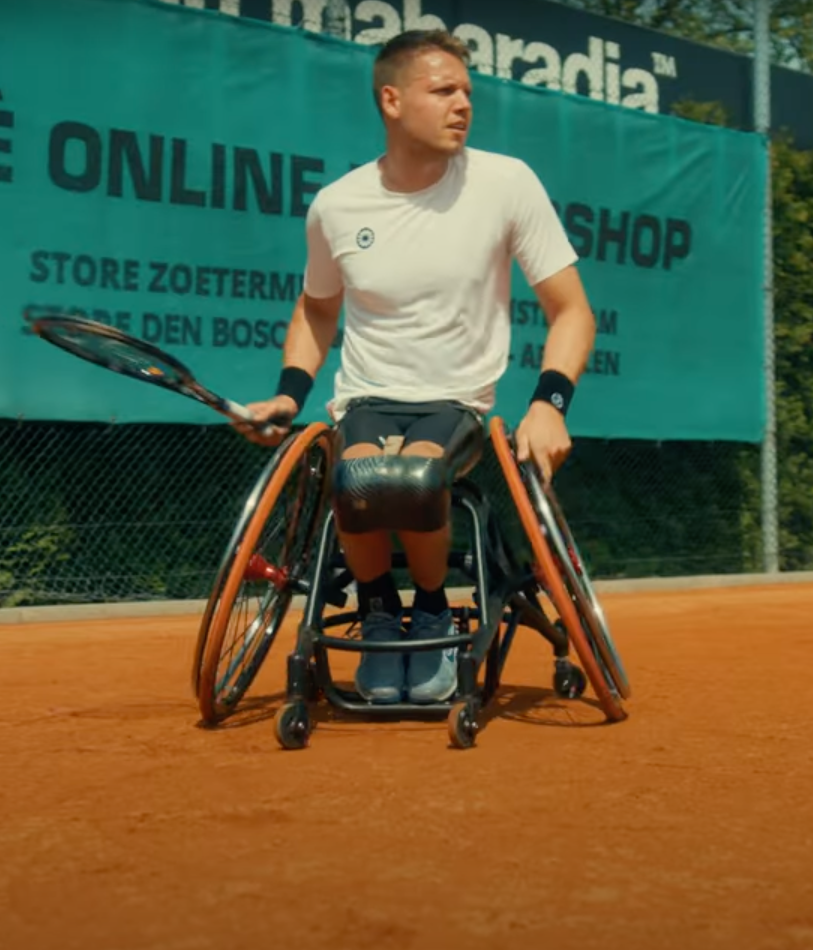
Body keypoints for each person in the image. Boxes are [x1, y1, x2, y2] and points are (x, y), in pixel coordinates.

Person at [237, 29, 599, 705]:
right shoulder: (337, 205)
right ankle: (380, 610)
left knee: (414, 475)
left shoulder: (507, 183)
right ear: (392, 101)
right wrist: (289, 396)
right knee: (359, 475)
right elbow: (317, 311)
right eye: (444, 91)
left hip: (456, 399)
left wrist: (550, 402)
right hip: (368, 396)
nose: (463, 103)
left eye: (467, 91)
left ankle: (430, 608)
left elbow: (572, 311)